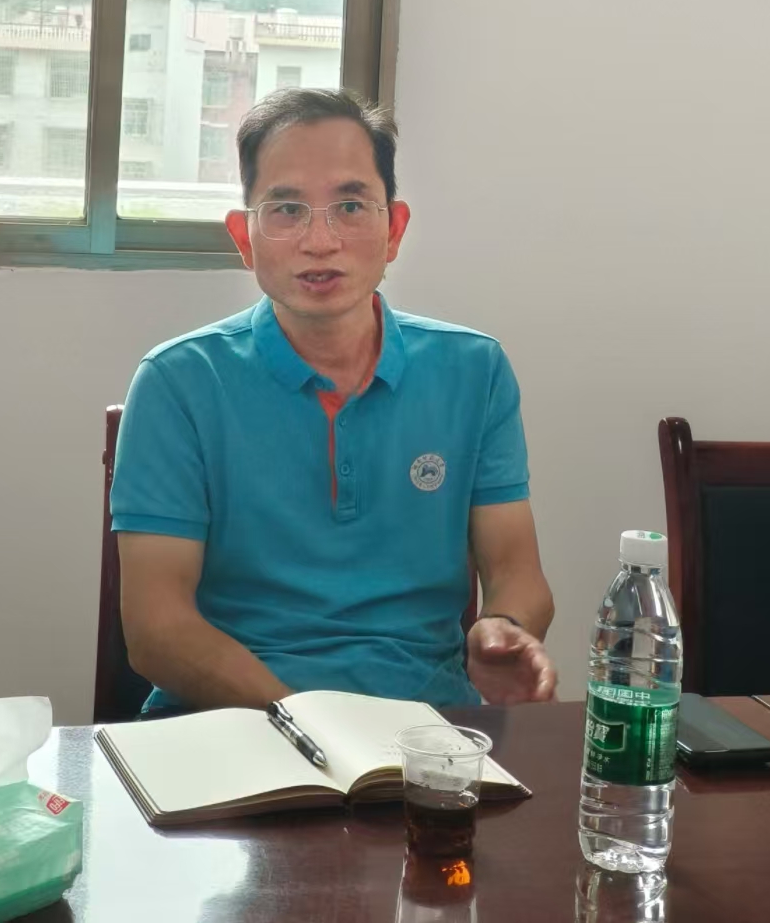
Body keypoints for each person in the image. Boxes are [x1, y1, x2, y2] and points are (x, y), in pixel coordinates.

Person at [111, 88, 556, 715]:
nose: (320, 241)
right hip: (230, 724)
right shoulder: (179, 382)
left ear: (394, 229)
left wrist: (503, 627)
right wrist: (311, 726)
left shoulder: (473, 371)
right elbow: (157, 630)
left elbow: (517, 573)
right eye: (287, 210)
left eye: (350, 206)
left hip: (425, 730)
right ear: (244, 237)